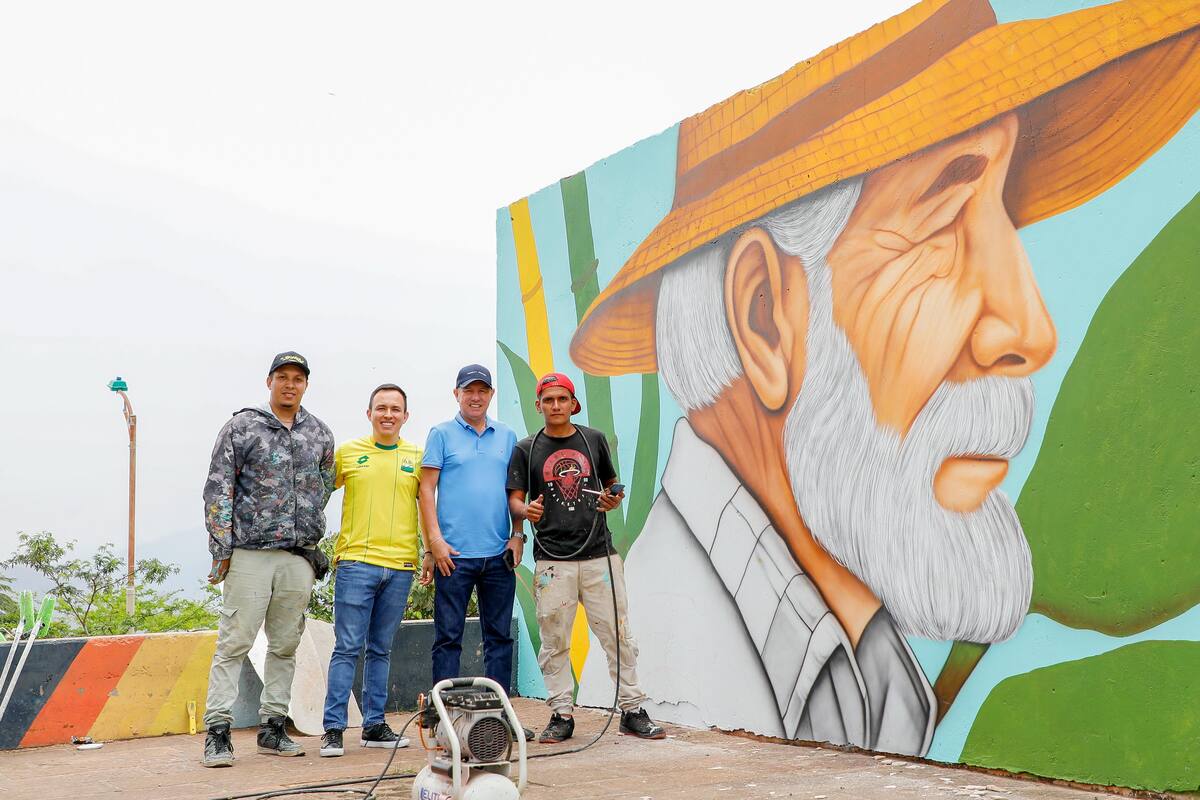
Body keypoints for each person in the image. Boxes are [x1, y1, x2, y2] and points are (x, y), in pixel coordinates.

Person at [565, 0, 1200, 756]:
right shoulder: (676, 693)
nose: (1030, 328)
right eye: (944, 225)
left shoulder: (868, 657)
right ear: (766, 317)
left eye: (1005, 222)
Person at [507, 372, 664, 743]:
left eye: (562, 399)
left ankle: (632, 709)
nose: (556, 406)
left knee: (618, 636)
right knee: (554, 641)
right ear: (538, 405)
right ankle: (562, 714)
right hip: (551, 562)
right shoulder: (526, 449)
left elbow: (611, 487)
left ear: (573, 403)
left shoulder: (592, 440)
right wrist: (524, 510)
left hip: (600, 558)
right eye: (549, 400)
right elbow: (514, 498)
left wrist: (613, 498)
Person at [201, 351, 335, 767]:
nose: (290, 384)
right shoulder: (242, 427)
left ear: (306, 384)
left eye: (298, 378)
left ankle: (273, 727)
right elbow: (217, 490)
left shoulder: (320, 434)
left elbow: (322, 488)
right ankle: (218, 731)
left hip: (297, 557)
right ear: (269, 382)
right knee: (235, 642)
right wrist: (221, 549)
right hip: (250, 555)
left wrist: (311, 542)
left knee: (285, 645)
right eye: (282, 377)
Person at [419, 364, 529, 737]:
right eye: (469, 390)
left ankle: (499, 719)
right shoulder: (442, 434)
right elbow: (426, 490)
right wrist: (434, 542)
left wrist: (518, 535)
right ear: (457, 394)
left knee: (498, 637)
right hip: (455, 556)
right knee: (447, 637)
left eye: (483, 390)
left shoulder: (508, 436)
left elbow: (515, 493)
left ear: (491, 395)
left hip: (499, 554)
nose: (476, 397)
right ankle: (442, 717)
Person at [319, 384, 421, 758]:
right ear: (369, 413)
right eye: (381, 408)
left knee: (381, 648)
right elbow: (316, 494)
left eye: (396, 409)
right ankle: (333, 729)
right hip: (356, 565)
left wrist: (427, 553)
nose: (388, 414)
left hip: (400, 566)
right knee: (346, 647)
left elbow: (427, 506)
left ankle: (374, 725)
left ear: (405, 416)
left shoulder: (417, 457)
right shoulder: (347, 454)